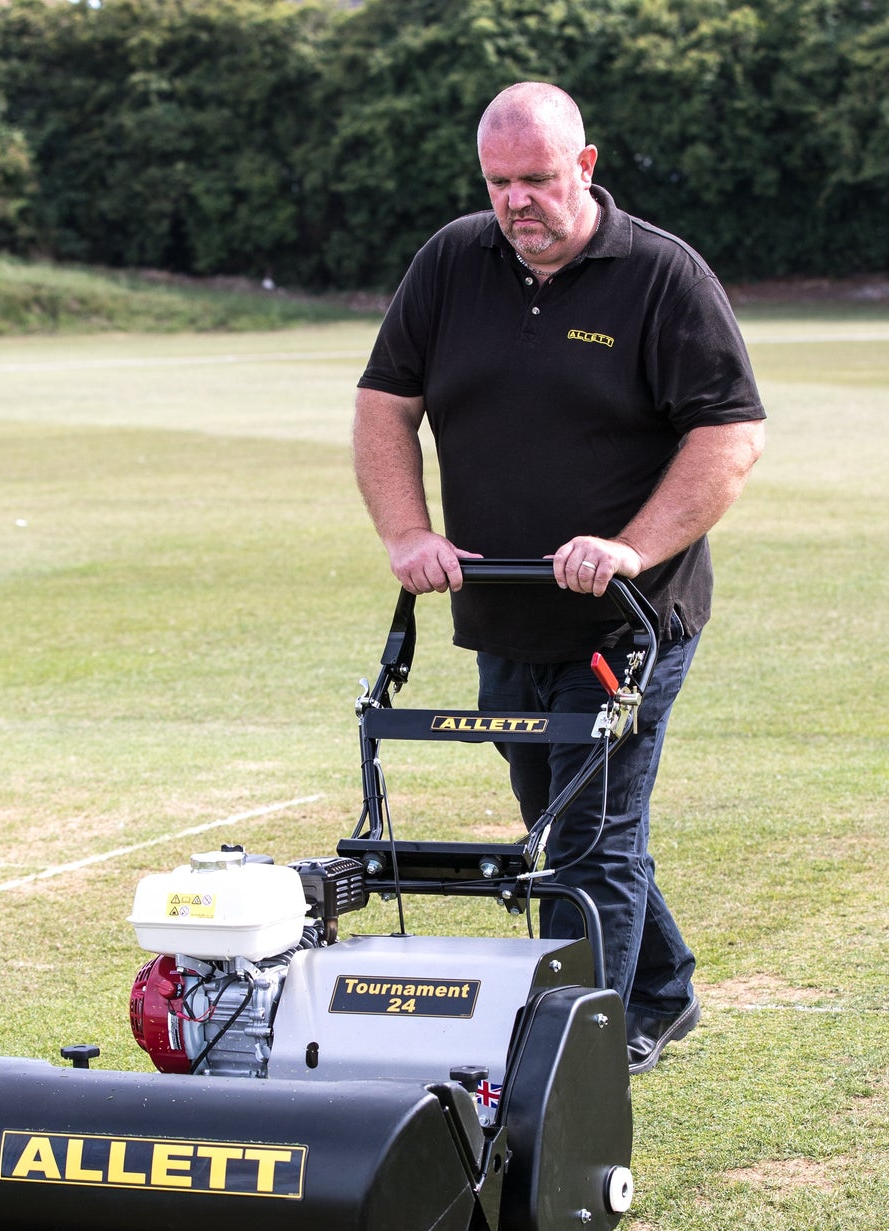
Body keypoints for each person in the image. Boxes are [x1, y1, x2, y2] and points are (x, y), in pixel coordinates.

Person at [353, 82, 767, 1074]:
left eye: (535, 179)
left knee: (588, 839)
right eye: (497, 182)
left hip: (627, 620)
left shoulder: (660, 278)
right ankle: (661, 990)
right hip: (501, 610)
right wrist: (408, 533)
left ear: (582, 166)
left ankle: (576, 1060)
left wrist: (629, 546)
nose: (514, 202)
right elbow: (381, 407)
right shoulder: (452, 263)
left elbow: (730, 435)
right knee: (562, 819)